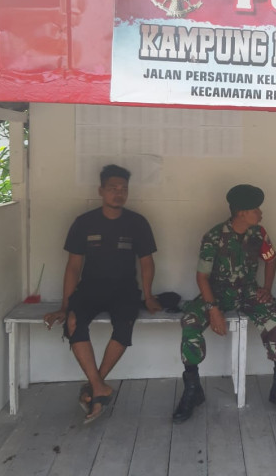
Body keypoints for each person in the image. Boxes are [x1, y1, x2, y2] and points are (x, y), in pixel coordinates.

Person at [173, 184, 276, 423]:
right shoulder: (214, 236)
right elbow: (202, 277)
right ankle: (192, 389)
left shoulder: (259, 234)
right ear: (241, 212)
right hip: (217, 293)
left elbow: (271, 260)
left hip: (248, 291)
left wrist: (267, 289)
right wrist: (213, 310)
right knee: (190, 321)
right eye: (256, 209)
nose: (260, 213)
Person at [43, 164, 161, 424]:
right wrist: (65, 306)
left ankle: (96, 385)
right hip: (90, 289)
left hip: (124, 290)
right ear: (101, 191)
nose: (119, 193)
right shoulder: (84, 223)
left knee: (124, 324)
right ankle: (99, 387)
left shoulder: (137, 223)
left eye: (123, 189)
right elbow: (73, 267)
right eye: (112, 188)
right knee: (73, 322)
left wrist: (149, 296)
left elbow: (146, 263)